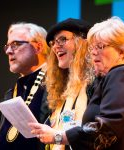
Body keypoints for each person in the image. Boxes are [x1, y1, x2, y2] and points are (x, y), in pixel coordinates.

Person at [29, 16, 124, 150]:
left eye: (100, 46)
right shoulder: (111, 77)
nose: (93, 52)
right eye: (92, 47)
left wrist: (58, 136)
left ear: (122, 51)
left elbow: (106, 129)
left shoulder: (121, 75)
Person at [30, 18, 92, 150]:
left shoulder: (97, 81)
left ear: (82, 42)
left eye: (63, 39)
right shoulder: (57, 89)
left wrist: (57, 137)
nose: (56, 46)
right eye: (53, 42)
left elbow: (99, 131)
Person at [0, 22, 50, 150]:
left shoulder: (55, 85)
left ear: (38, 47)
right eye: (8, 46)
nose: (9, 51)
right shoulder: (11, 92)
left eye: (15, 44)